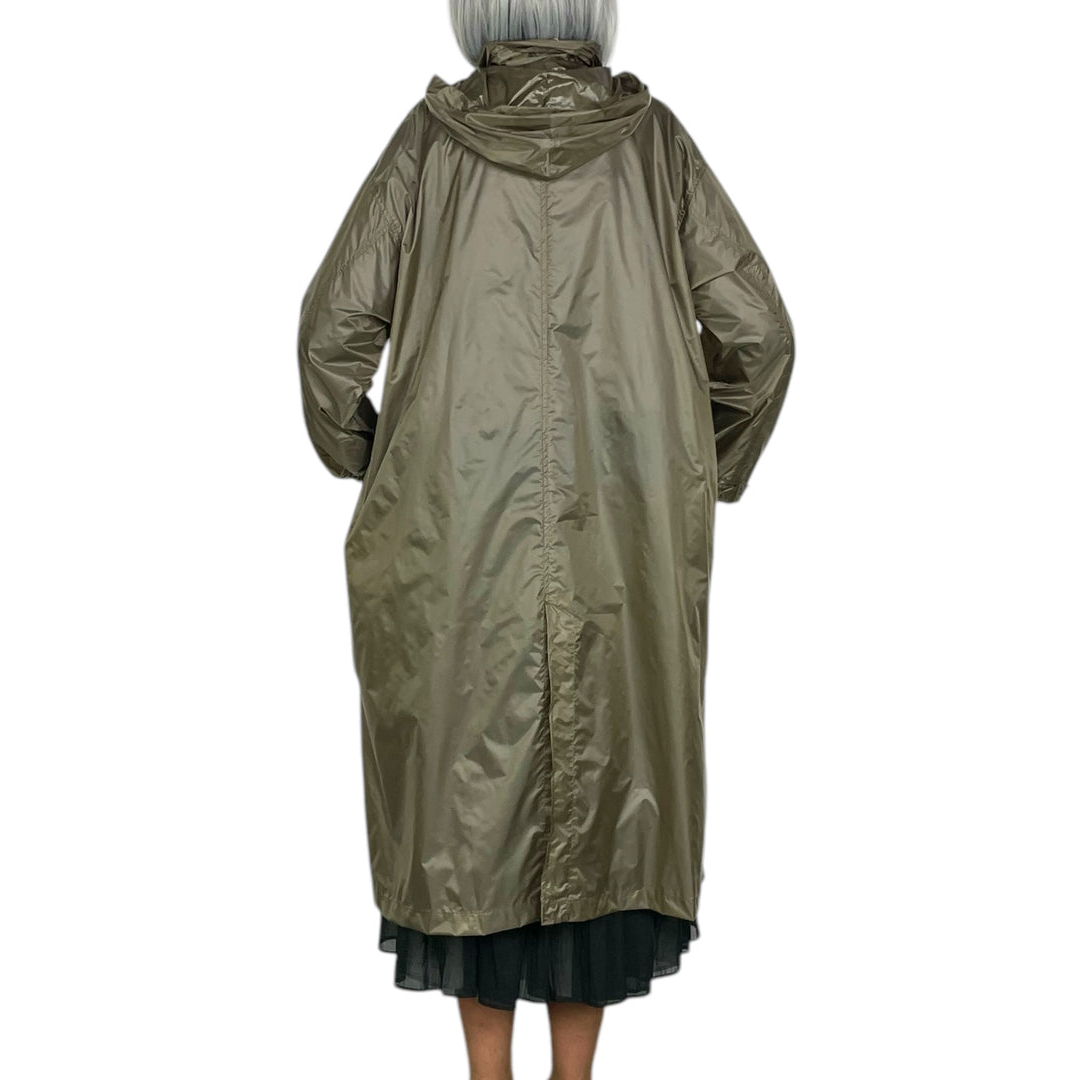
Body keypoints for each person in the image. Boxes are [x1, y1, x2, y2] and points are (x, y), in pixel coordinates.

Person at [296, 1, 795, 1076]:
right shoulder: (653, 148)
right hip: (625, 532)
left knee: (464, 807)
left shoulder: (430, 145)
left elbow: (332, 333)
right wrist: (695, 473)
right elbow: (759, 337)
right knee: (609, 794)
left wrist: (376, 464)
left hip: (447, 535)